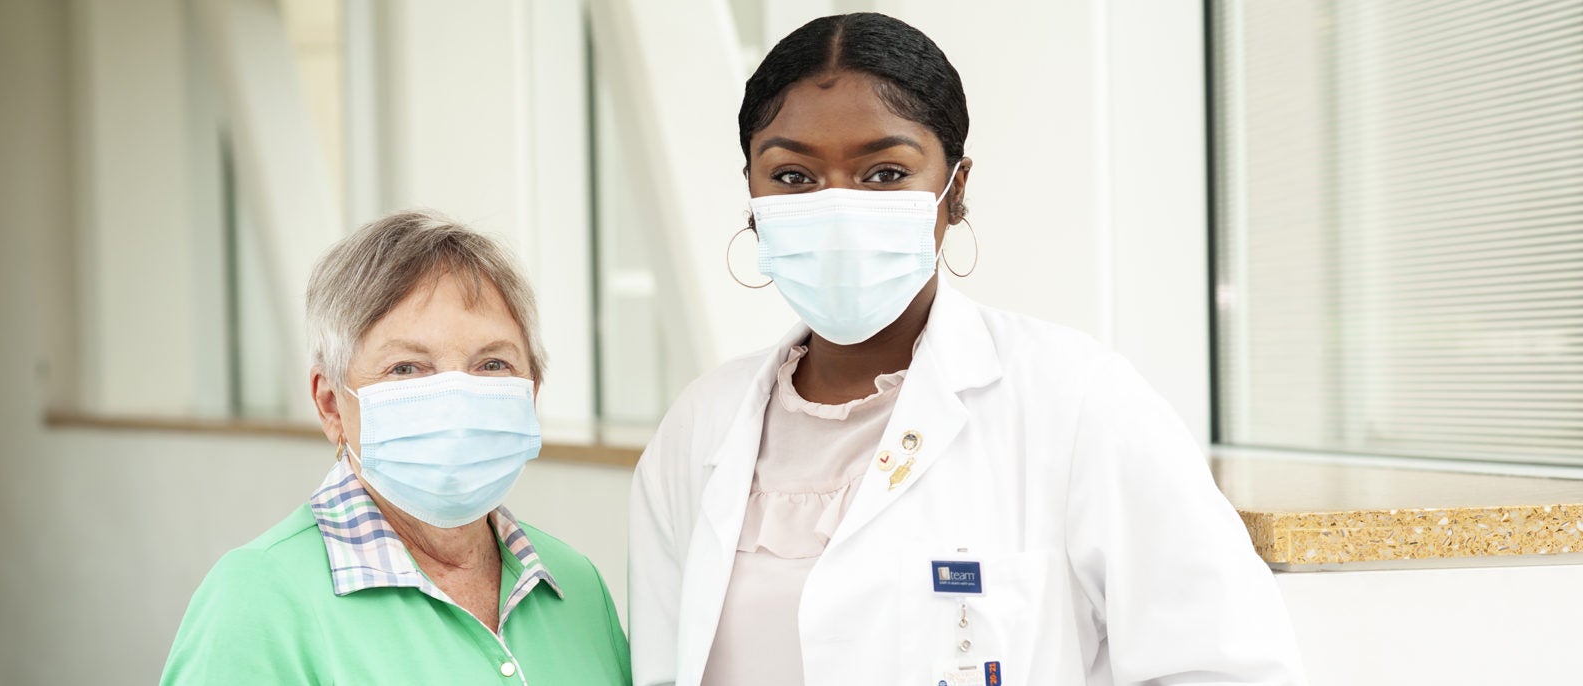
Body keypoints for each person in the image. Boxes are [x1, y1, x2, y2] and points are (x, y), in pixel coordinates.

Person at [628, 13, 1304, 686]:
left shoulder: (1076, 401)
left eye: (886, 173)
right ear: (751, 196)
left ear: (955, 191)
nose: (838, 208)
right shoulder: (700, 428)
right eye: (795, 177)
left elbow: (1224, 664)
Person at [162, 211, 631, 685]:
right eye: (406, 368)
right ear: (331, 405)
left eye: (492, 363)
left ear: (531, 393)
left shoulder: (577, 585)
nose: (456, 402)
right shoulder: (259, 599)